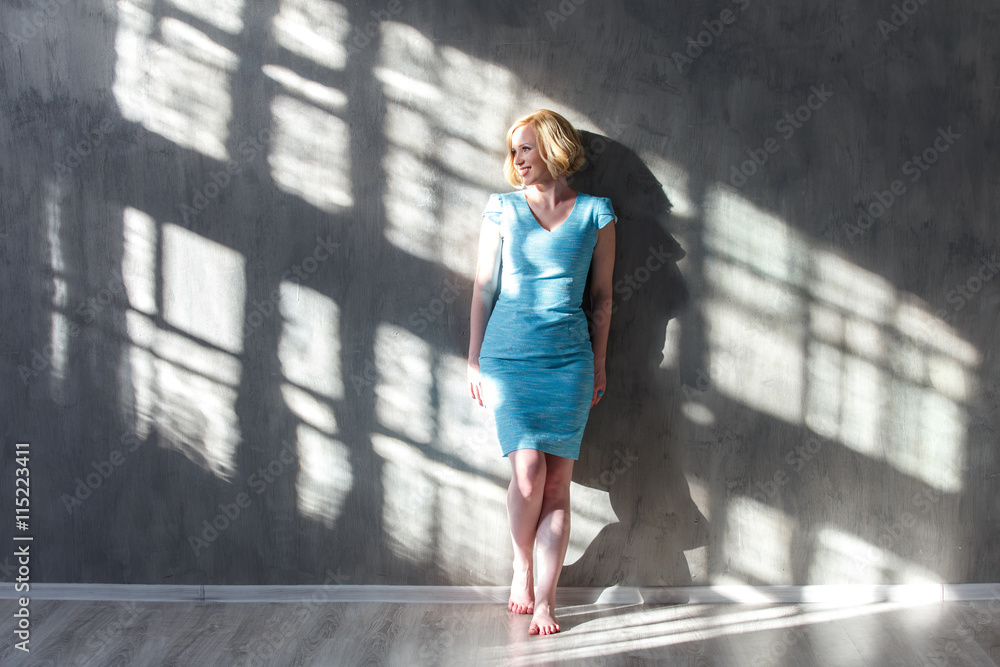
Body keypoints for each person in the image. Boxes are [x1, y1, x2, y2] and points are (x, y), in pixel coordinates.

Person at [467, 109, 616, 635]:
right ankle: (521, 565)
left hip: (569, 362)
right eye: (515, 151)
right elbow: (484, 288)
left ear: (553, 148)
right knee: (528, 472)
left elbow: (601, 298)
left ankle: (548, 601)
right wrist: (473, 359)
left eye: (526, 148)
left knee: (558, 485)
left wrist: (598, 362)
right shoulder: (502, 209)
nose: (518, 160)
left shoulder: (596, 213)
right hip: (508, 357)